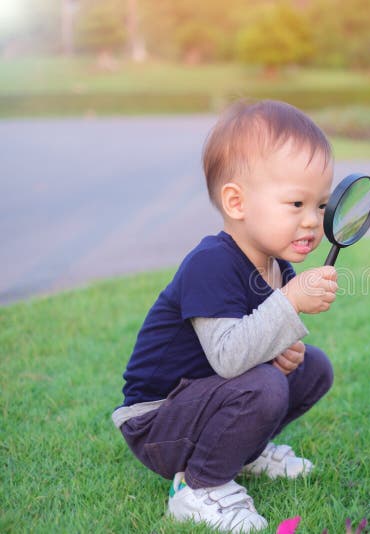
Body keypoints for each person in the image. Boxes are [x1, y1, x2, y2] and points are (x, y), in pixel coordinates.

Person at [111, 100, 339, 533]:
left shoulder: (275, 266)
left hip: (200, 398)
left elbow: (252, 347)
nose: (312, 221)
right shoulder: (210, 263)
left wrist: (281, 349)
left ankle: (243, 451)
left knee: (312, 367)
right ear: (236, 202)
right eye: (296, 203)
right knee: (265, 385)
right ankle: (199, 488)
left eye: (320, 206)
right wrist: (289, 303)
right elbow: (230, 358)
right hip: (156, 421)